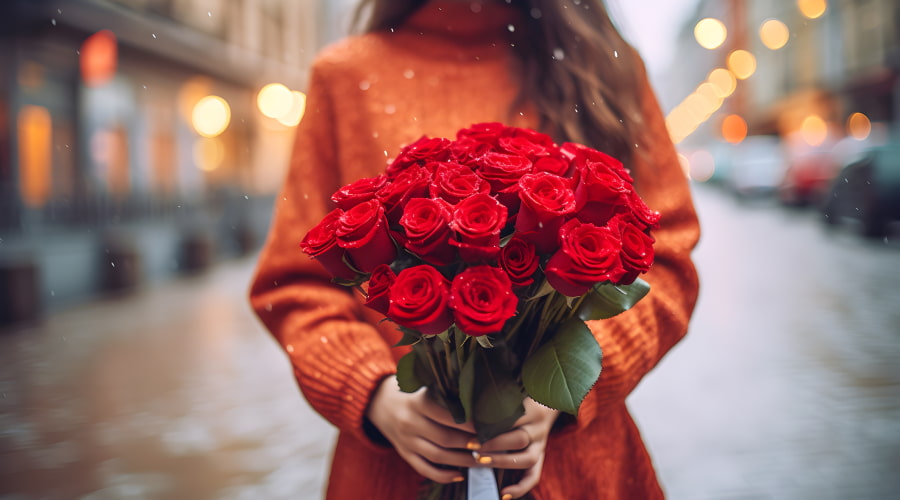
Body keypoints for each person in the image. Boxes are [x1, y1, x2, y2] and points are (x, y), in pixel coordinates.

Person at [248, 0, 700, 498]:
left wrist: (565, 396)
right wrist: (373, 394)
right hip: (397, 466)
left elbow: (667, 261)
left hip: (583, 467)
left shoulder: (606, 67)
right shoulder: (347, 75)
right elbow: (292, 284)